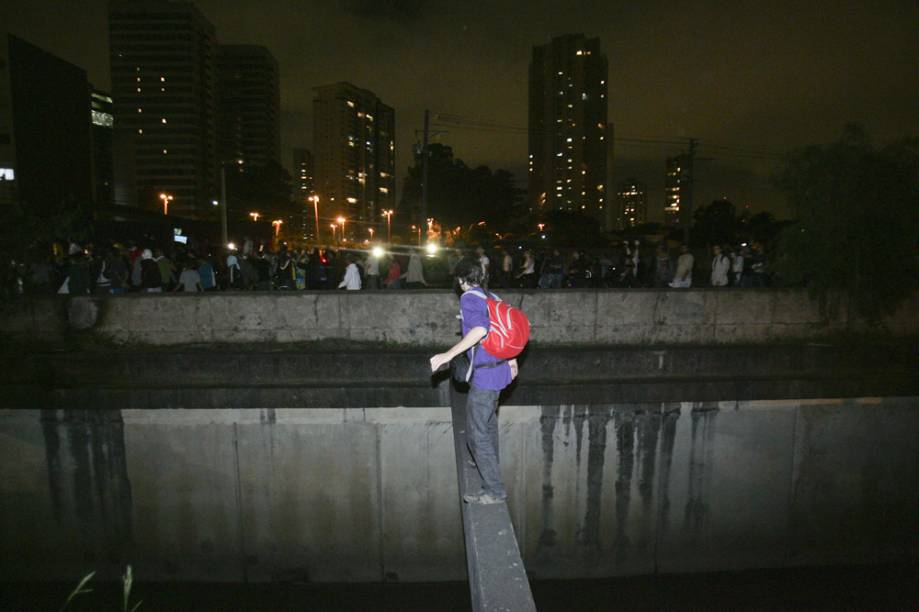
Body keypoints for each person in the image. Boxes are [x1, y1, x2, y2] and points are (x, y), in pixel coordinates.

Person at [429, 258, 519, 505]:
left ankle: (493, 490)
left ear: (460, 280)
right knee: (488, 422)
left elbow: (479, 330)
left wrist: (447, 355)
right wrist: (512, 361)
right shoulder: (492, 296)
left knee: (477, 432)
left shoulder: (469, 298)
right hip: (500, 371)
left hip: (486, 375)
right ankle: (484, 458)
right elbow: (506, 330)